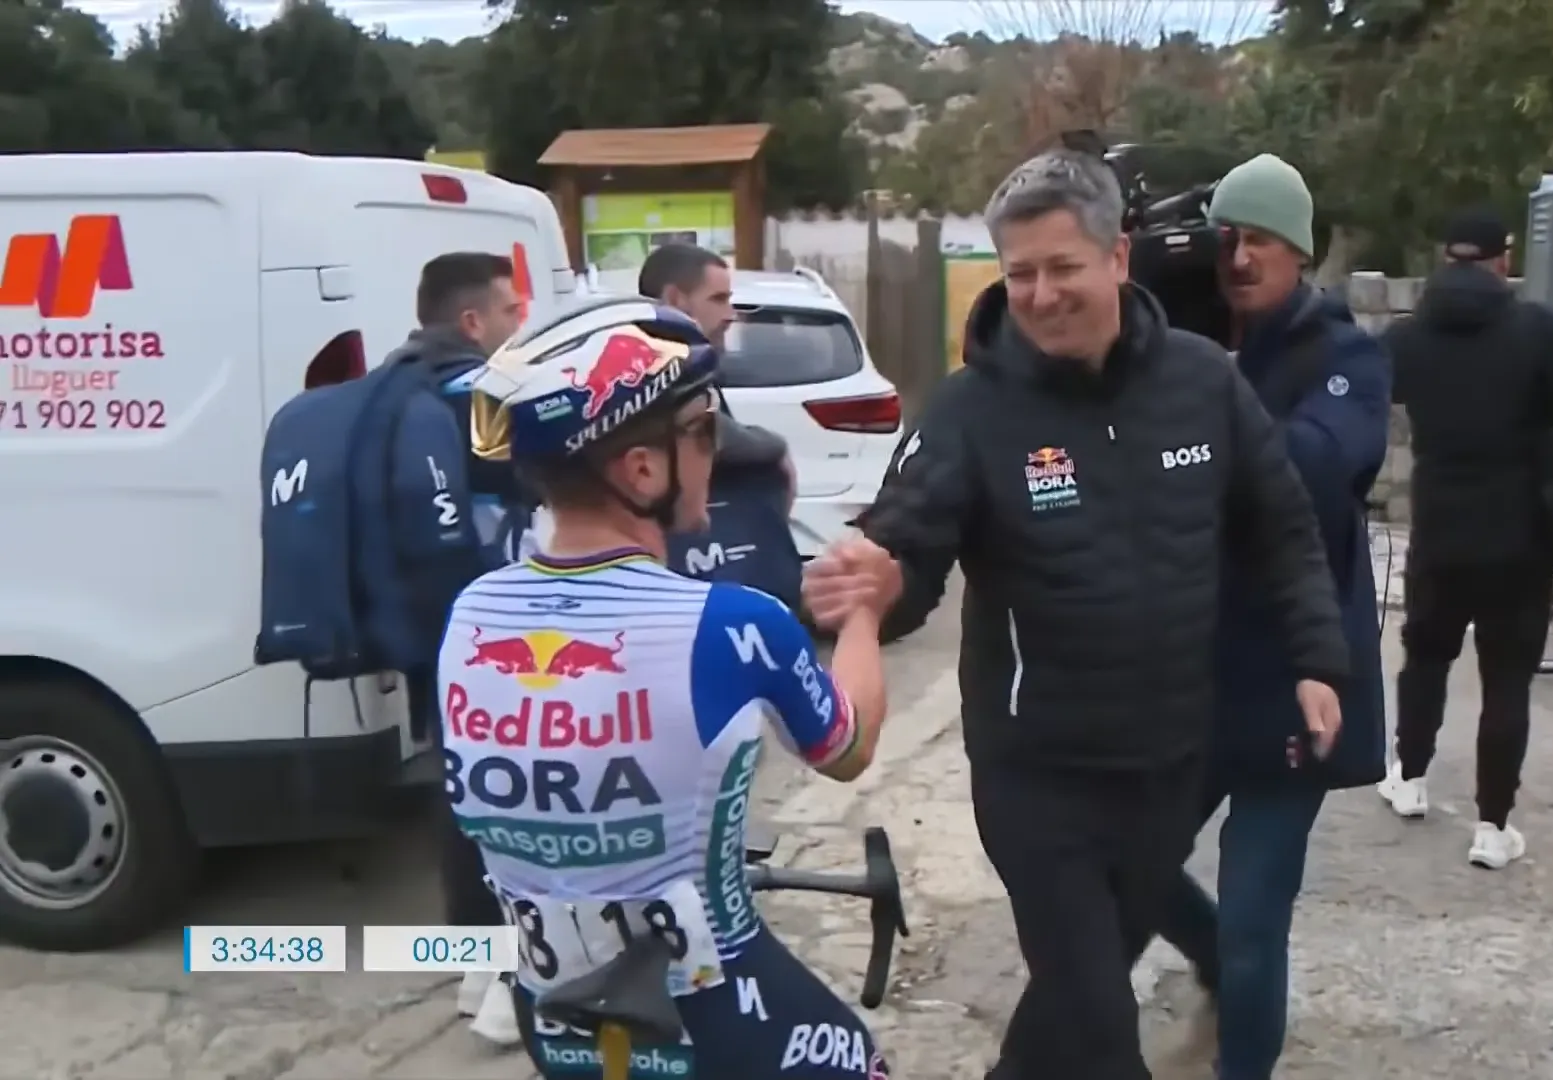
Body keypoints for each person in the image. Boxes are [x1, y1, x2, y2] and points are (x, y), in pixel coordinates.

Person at [801, 146, 1350, 1080]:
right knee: (1101, 1023)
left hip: (1168, 763)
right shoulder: (976, 408)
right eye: (1020, 274)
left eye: (1063, 268)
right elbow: (911, 544)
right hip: (1037, 777)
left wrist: (1317, 659)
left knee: (1070, 1001)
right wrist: (877, 586)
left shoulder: (1203, 383)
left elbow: (1283, 529)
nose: (1042, 293)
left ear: (1118, 258)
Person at [445, 297, 892, 1079]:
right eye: (703, 429)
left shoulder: (470, 615)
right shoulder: (731, 623)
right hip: (710, 1007)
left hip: (552, 1010)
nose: (714, 451)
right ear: (643, 467)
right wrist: (863, 616)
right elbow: (848, 747)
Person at [1139, 153, 1389, 1080]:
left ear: (1300, 252)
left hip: (1298, 675)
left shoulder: (1346, 354)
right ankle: (1203, 956)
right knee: (1134, 864)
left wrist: (1207, 407)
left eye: (1262, 241)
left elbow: (1320, 476)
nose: (1240, 258)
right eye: (1227, 239)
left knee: (1254, 920)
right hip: (1196, 670)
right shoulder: (1181, 342)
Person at [1377, 210, 1553, 869]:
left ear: (1445, 255)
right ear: (1504, 257)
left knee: (1426, 656)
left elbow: (1362, 400)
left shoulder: (1406, 337)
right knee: (1507, 680)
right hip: (1522, 530)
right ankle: (1493, 828)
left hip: (1438, 525)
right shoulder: (1541, 331)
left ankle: (1408, 779)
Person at [407, 252, 531, 1045]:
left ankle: (475, 968)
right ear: (472, 323)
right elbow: (535, 483)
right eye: (511, 311)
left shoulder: (396, 391)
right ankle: (508, 988)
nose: (522, 323)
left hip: (427, 625)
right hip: (493, 625)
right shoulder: (476, 396)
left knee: (462, 796)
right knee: (518, 796)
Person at [636, 243, 798, 506]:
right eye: (718, 299)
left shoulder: (691, 361)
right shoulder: (651, 365)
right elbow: (711, 429)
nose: (730, 315)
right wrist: (776, 448)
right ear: (675, 299)